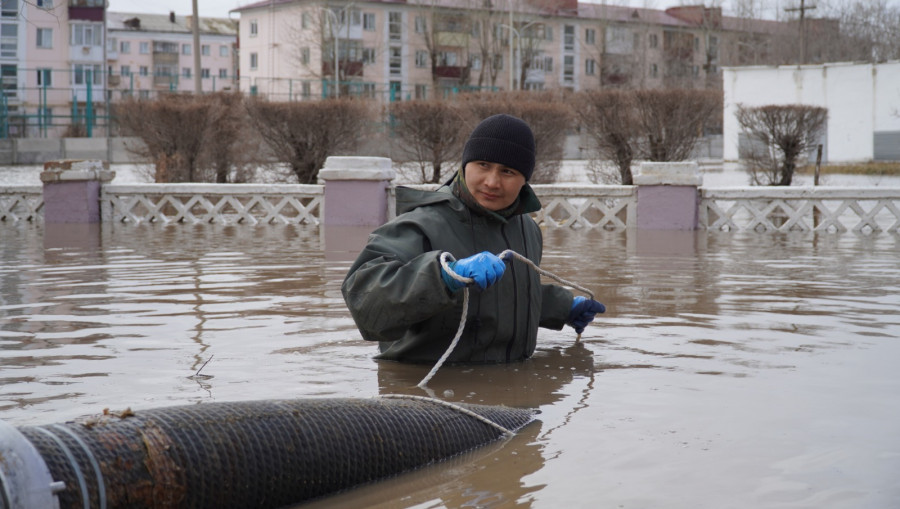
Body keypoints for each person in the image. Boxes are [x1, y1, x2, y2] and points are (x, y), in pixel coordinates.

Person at [341, 114, 605, 364]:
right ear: (465, 165)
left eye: (508, 172)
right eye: (483, 165)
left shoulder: (527, 229)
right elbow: (363, 301)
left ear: (525, 180)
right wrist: (444, 276)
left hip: (512, 392)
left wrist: (561, 307)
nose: (491, 182)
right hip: (426, 396)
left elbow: (502, 298)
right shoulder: (420, 224)